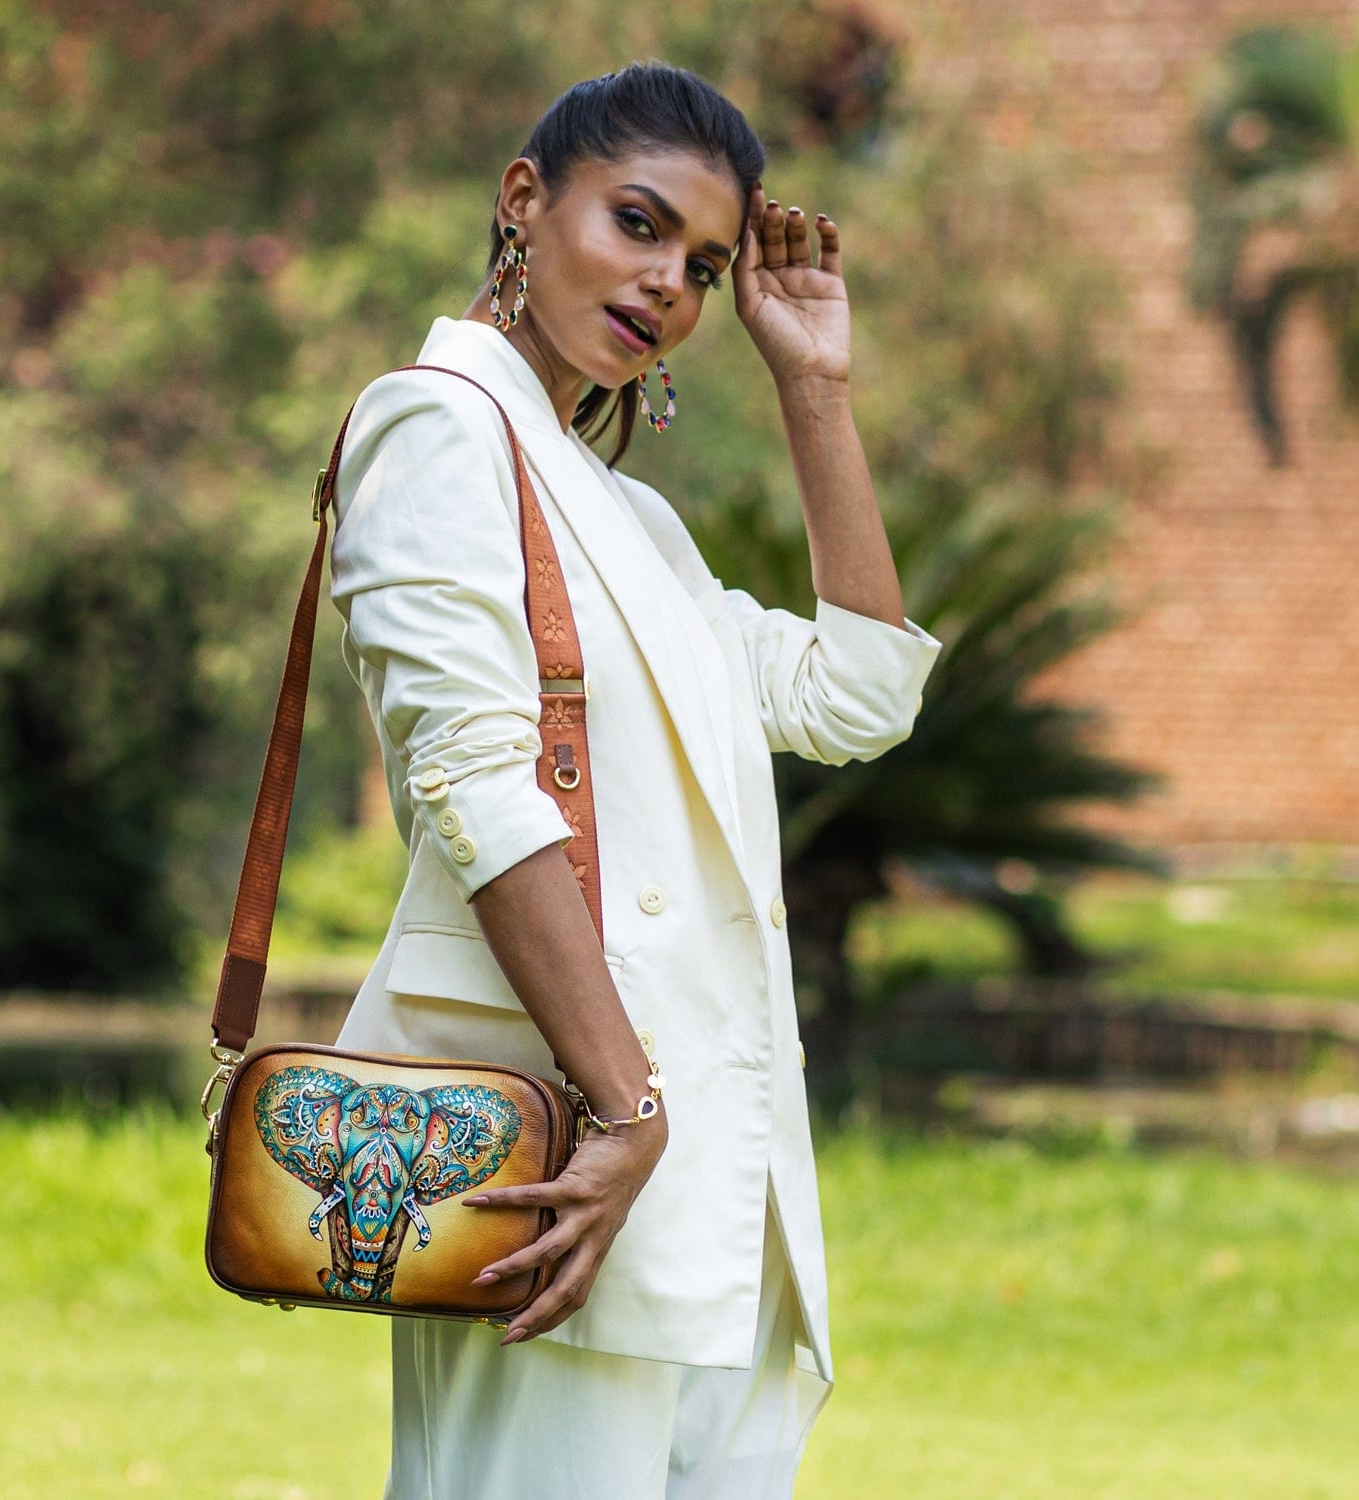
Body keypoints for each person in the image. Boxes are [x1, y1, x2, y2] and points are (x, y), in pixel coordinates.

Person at [327, 60, 942, 1500]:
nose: (671, 283)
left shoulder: (628, 518)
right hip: (555, 1160)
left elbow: (852, 696)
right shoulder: (434, 427)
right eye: (640, 223)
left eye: (705, 266)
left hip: (715, 1194)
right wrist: (622, 1109)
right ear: (526, 199)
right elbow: (479, 784)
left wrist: (818, 389)